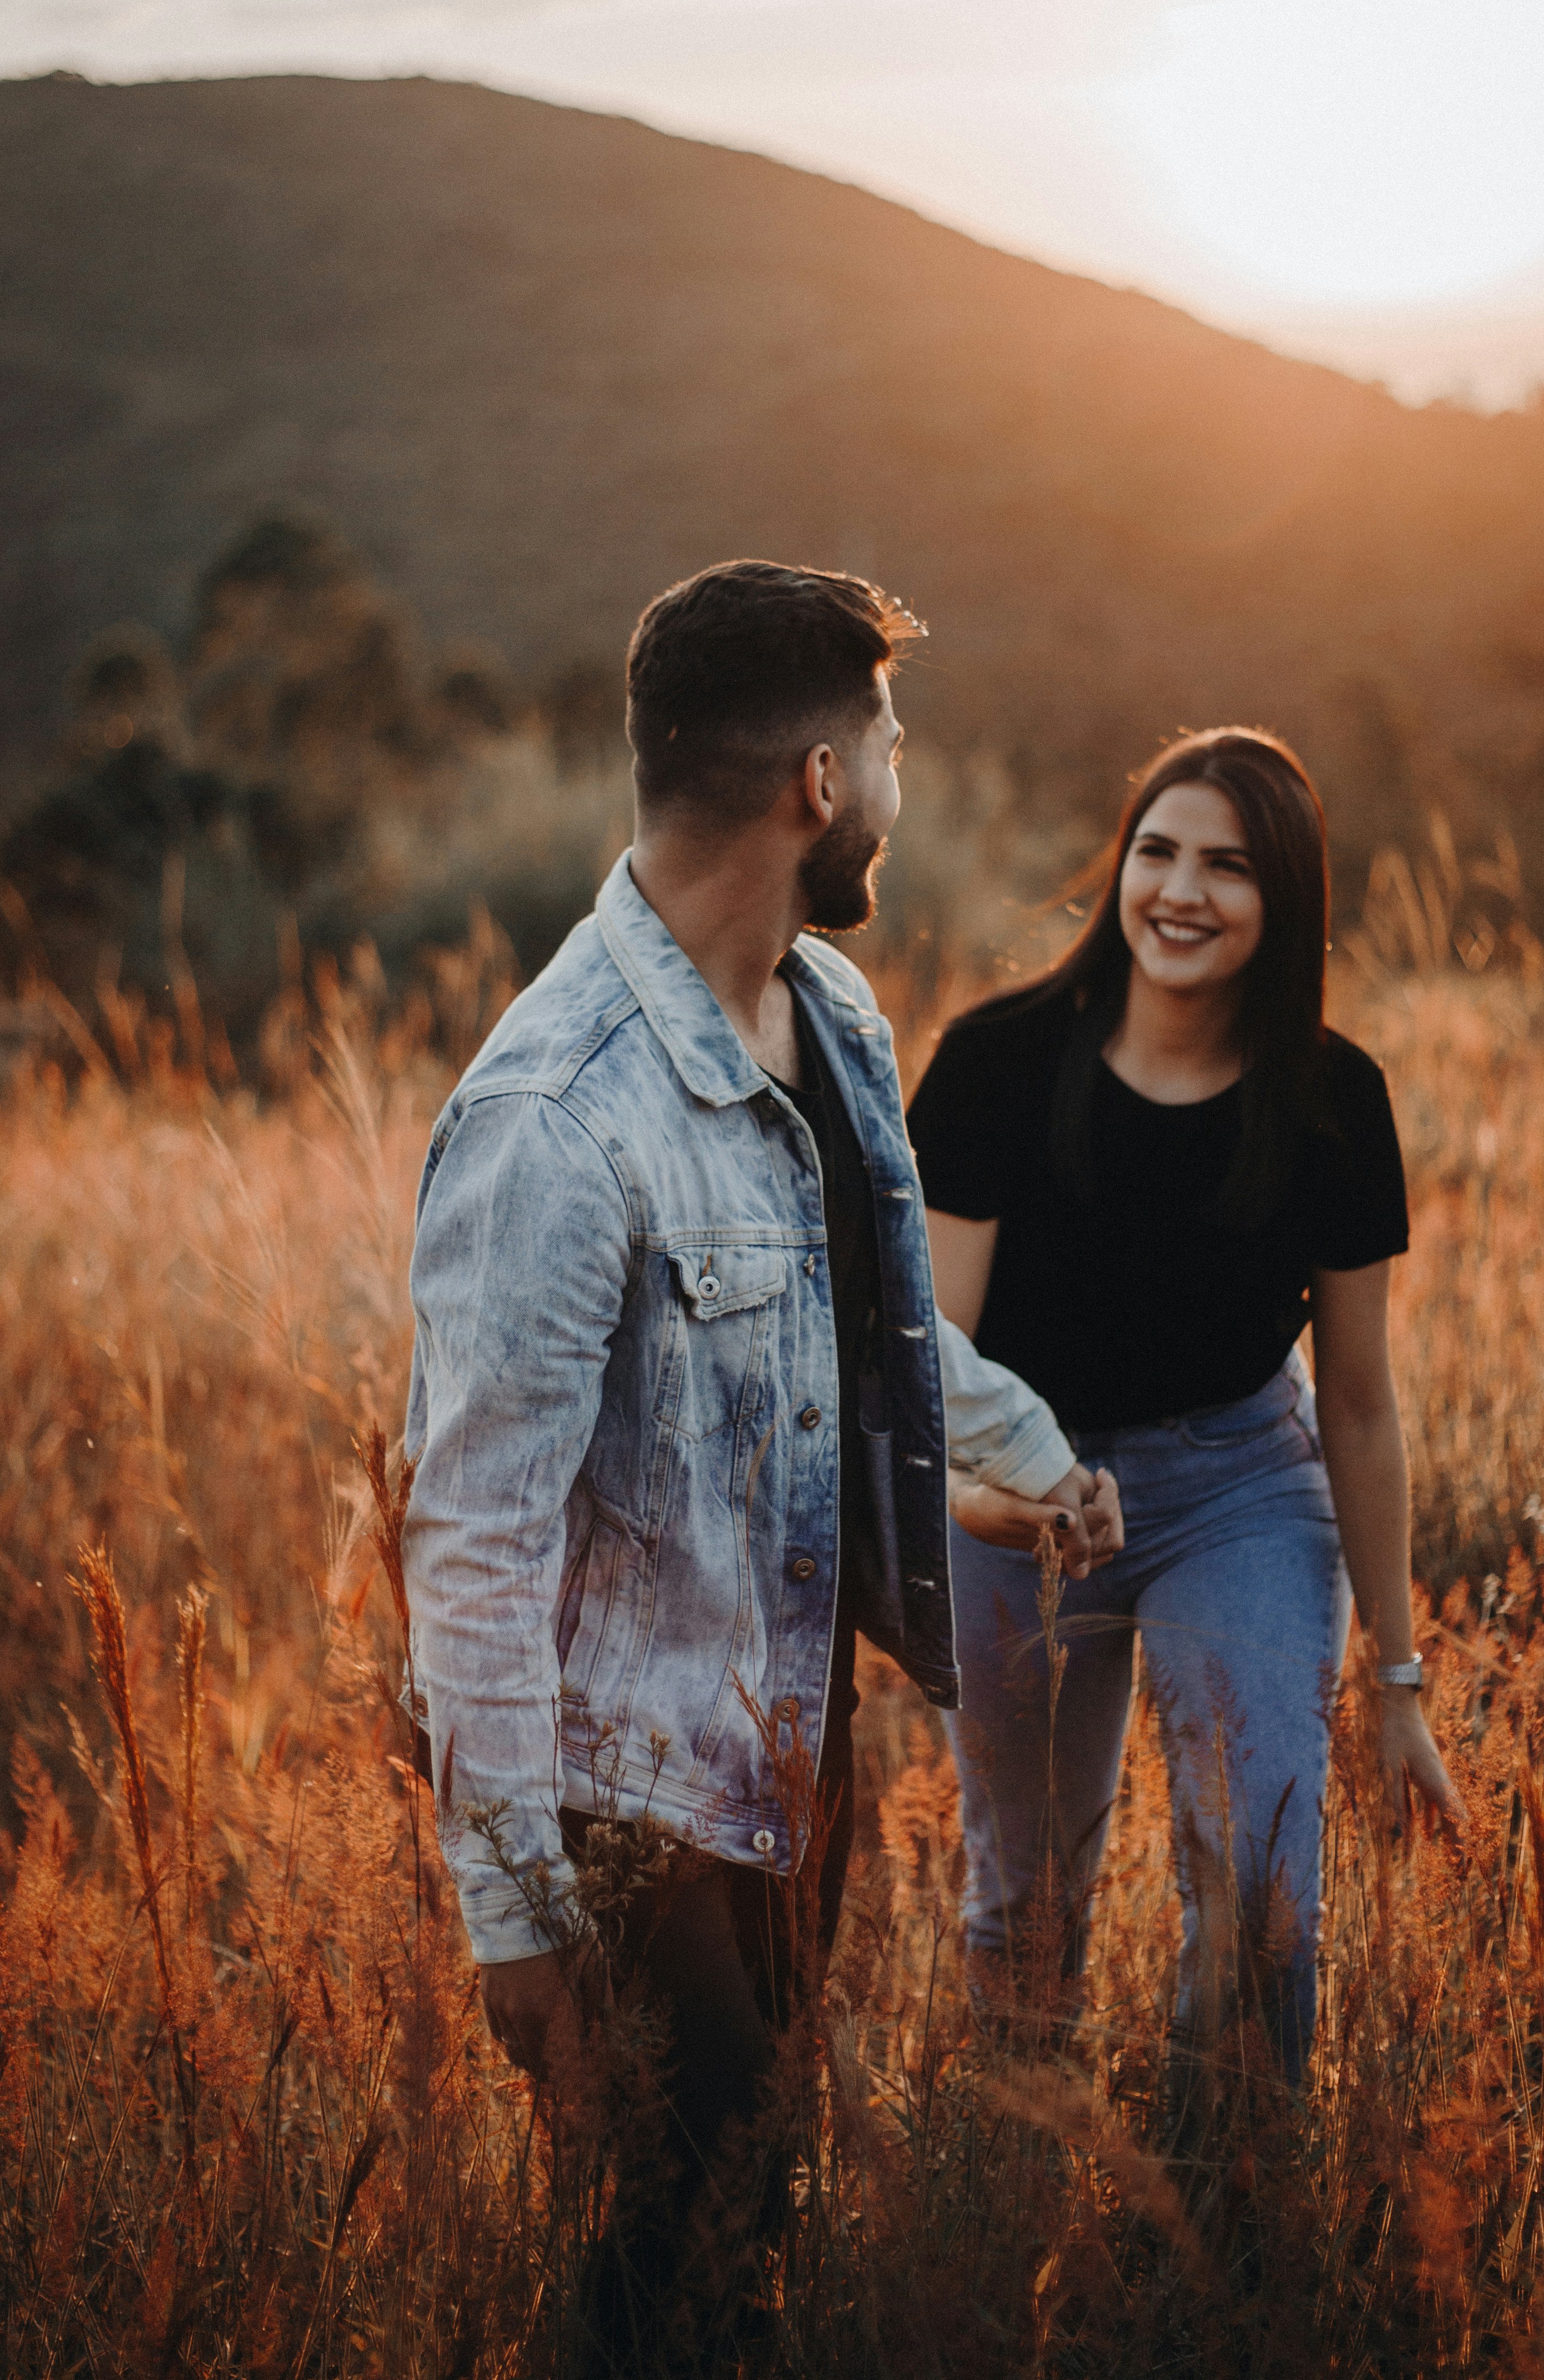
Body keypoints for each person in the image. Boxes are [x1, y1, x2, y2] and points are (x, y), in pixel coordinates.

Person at [398, 560, 1117, 2373]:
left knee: (757, 2198)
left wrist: (1027, 1443)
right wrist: (510, 1911)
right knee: (676, 2232)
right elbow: (470, 1542)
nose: (900, 777)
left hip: (793, 1726)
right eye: (888, 739)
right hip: (628, 1790)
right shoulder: (557, 1114)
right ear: (818, 776)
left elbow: (854, 1320)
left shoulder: (835, 1016)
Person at [907, 727, 1461, 2088]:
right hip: (1014, 1497)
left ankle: (1227, 2231)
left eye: (1228, 865)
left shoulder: (1334, 1101)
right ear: (1121, 872)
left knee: (1264, 1891)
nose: (1181, 891)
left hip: (1238, 1489)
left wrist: (1396, 1684)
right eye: (1157, 851)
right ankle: (1030, 2209)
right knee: (1025, 1914)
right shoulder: (997, 1064)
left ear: (1286, 901)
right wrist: (1002, 1506)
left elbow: (1366, 1406)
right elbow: (926, 1374)